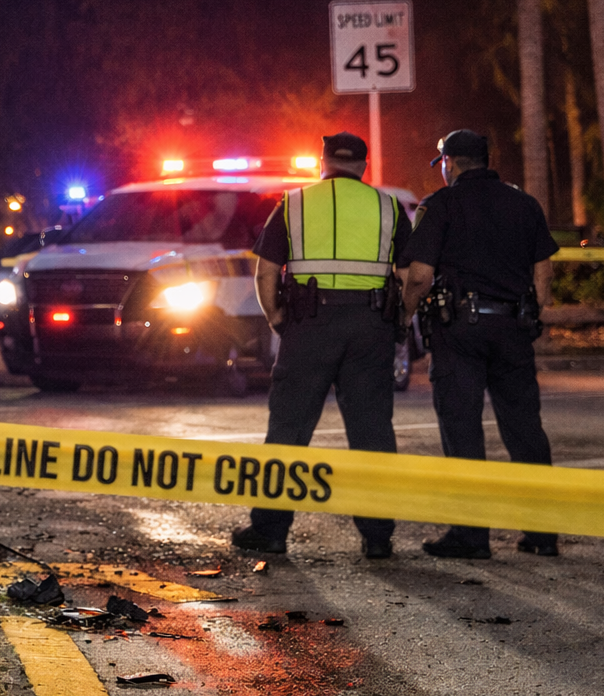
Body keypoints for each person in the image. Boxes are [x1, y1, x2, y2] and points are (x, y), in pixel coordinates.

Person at [232, 132, 411, 559]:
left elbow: (266, 272)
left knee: (288, 428)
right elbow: (412, 275)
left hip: (308, 325)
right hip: (370, 326)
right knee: (372, 430)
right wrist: (401, 320)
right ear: (364, 166)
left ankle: (270, 531)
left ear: (323, 161)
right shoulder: (389, 207)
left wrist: (278, 319)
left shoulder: (292, 204)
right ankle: (378, 537)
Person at [398, 129, 560, 559]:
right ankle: (542, 534)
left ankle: (470, 536)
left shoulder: (441, 205)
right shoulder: (524, 203)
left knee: (462, 428)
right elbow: (543, 272)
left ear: (449, 163)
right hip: (513, 329)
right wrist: (531, 314)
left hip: (459, 333)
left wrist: (403, 318)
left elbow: (419, 275)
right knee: (525, 428)